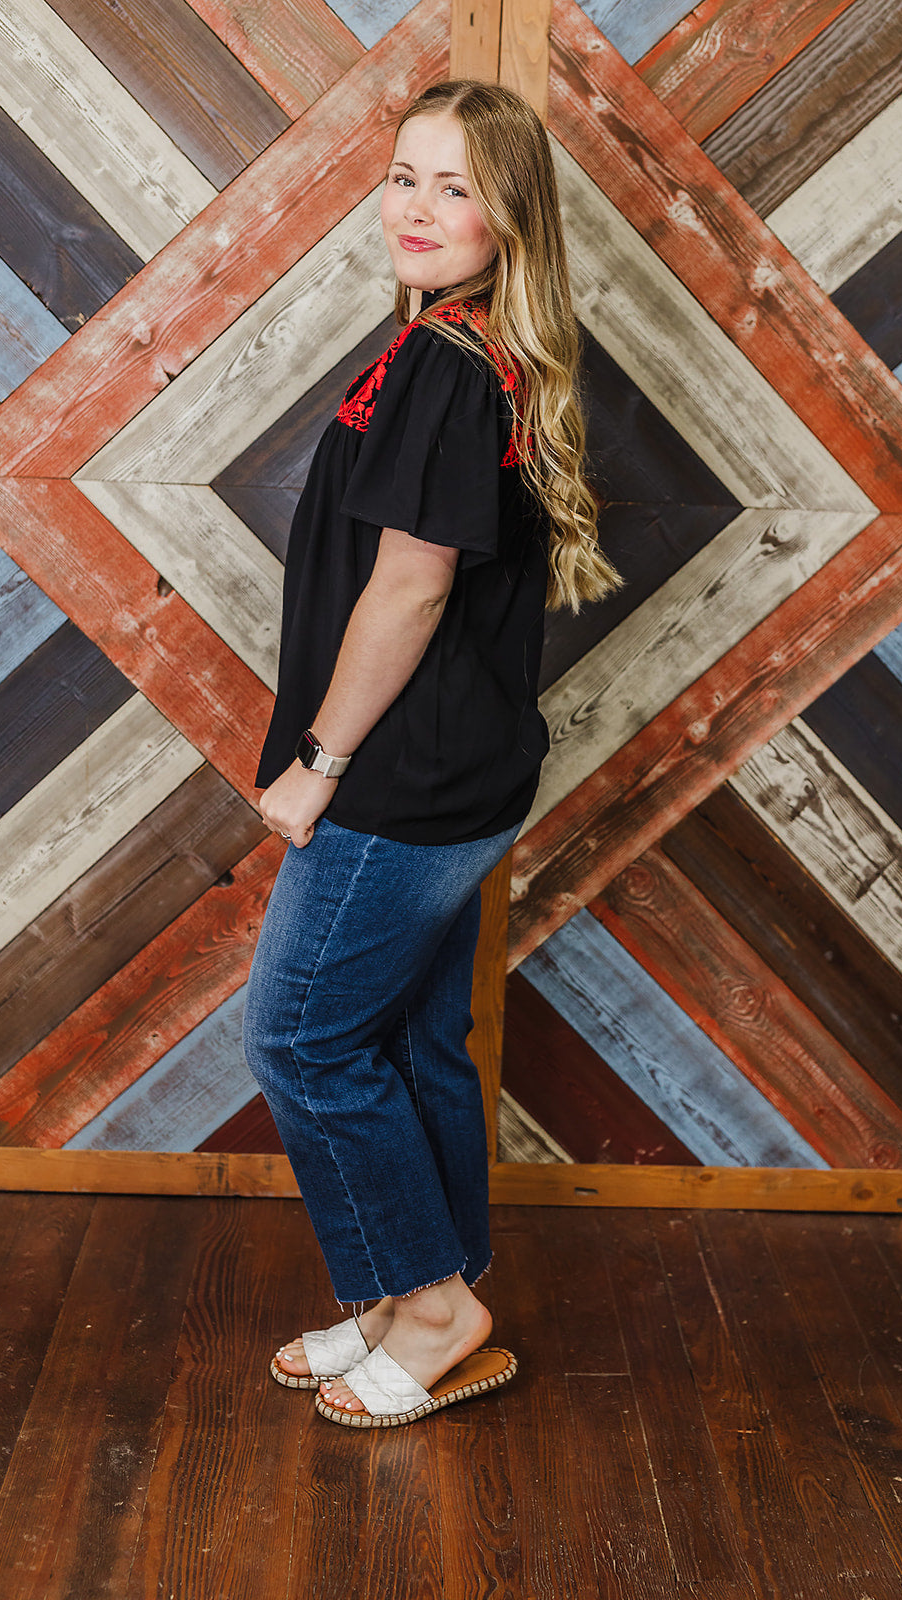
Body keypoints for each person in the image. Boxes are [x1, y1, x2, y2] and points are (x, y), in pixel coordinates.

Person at [243, 79, 619, 1429]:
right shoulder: (461, 346)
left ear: (510, 215)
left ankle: (437, 1305)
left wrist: (319, 761)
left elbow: (409, 590)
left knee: (300, 1041)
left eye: (456, 187)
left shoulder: (449, 369)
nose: (417, 206)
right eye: (405, 175)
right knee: (412, 1043)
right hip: (466, 768)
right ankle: (407, 1297)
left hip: (401, 781)